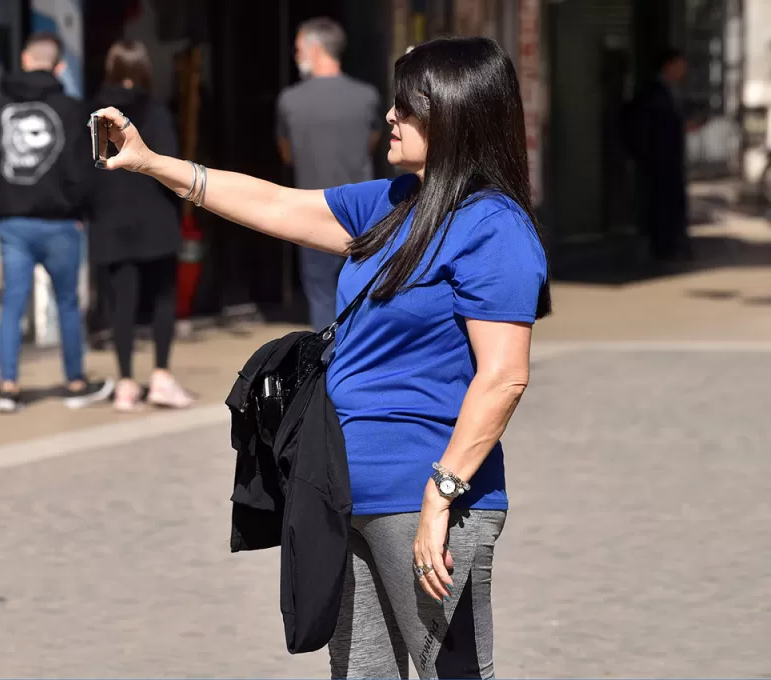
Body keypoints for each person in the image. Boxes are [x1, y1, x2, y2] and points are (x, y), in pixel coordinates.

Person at [95, 36, 550, 678]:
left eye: (407, 106)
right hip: (343, 488)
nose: (390, 116)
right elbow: (277, 203)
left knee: (454, 673)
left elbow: (504, 377)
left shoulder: (494, 228)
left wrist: (441, 496)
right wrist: (154, 165)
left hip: (425, 499)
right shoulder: (395, 204)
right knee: (361, 672)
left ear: (454, 115)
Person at [0, 31, 112, 413]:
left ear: (24, 59)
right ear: (59, 66)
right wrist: (81, 212)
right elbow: (84, 169)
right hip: (61, 222)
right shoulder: (73, 110)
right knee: (68, 303)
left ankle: (7, 387)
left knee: (11, 305)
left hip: (13, 222)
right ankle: (74, 382)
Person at [88, 40, 193, 411]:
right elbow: (169, 163)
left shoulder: (95, 115)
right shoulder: (156, 111)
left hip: (110, 220)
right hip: (156, 217)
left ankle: (126, 384)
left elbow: (81, 169)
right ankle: (161, 376)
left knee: (122, 305)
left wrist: (90, 207)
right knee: (163, 299)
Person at [277, 17, 382, 331]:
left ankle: (325, 369)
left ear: (315, 49)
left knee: (321, 299)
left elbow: (286, 154)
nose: (296, 57)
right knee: (364, 296)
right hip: (364, 213)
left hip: (312, 208)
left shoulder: (290, 100)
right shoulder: (367, 96)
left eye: (298, 49)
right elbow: (374, 142)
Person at [628, 48, 691, 263]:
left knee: (671, 204)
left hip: (670, 160)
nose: (683, 71)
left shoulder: (671, 91)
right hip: (660, 160)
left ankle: (671, 246)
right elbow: (650, 127)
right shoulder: (654, 92)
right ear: (669, 65)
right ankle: (663, 248)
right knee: (661, 205)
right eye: (680, 65)